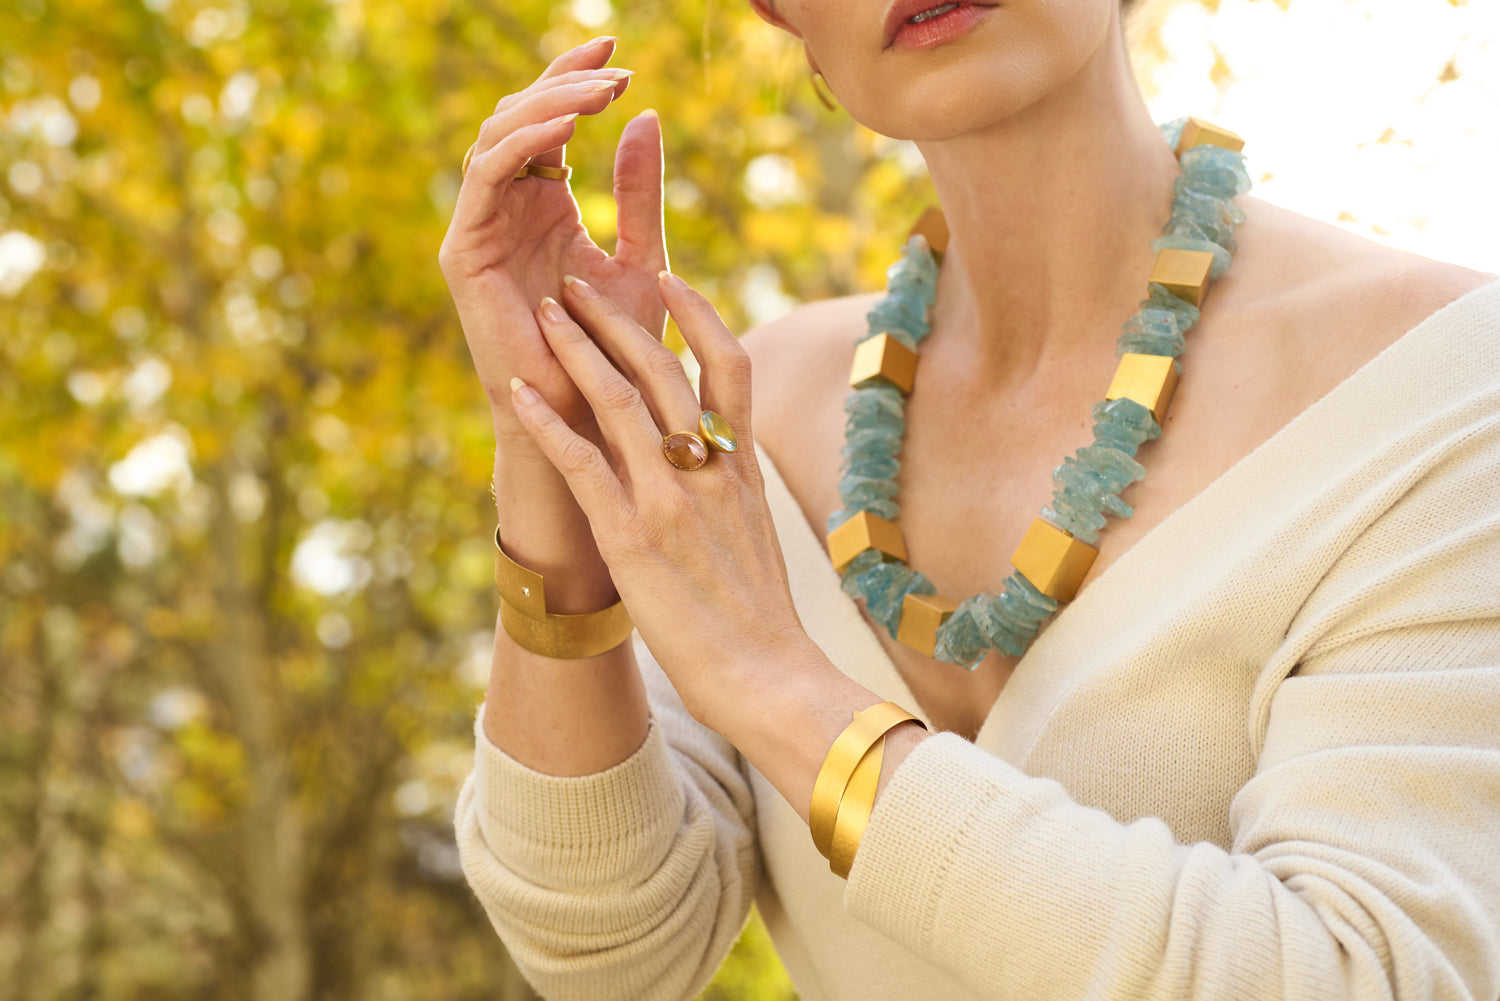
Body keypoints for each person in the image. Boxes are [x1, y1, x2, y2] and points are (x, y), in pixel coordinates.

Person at [437, 0, 1500, 997]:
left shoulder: (1439, 387)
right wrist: (555, 446)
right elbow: (607, 950)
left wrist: (780, 686)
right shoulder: (746, 413)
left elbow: (1369, 972)